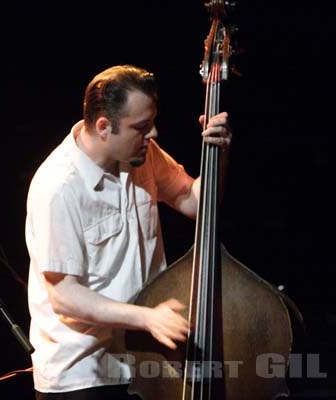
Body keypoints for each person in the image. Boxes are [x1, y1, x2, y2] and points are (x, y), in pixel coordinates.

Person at [25, 64, 232, 399]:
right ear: (104, 127)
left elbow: (194, 204)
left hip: (143, 361)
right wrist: (148, 318)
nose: (153, 135)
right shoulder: (58, 186)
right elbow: (64, 295)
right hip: (83, 374)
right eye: (141, 127)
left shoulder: (142, 155)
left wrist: (217, 155)